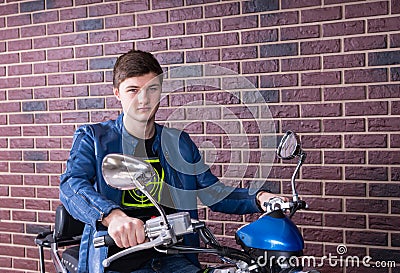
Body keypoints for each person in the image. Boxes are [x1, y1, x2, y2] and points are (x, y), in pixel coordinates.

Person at [59, 50, 283, 273]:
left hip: (172, 258)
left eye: (152, 89)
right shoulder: (93, 138)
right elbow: (71, 184)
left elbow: (212, 193)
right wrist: (112, 217)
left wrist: (259, 198)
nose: (143, 99)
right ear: (117, 93)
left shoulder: (179, 143)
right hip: (116, 261)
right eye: (133, 90)